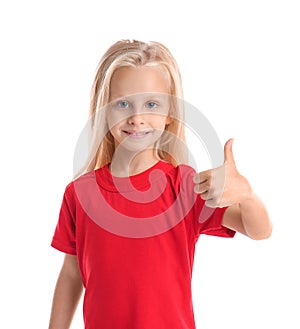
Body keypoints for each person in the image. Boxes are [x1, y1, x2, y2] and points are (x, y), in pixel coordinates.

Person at [48, 39, 272, 329]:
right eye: (123, 103)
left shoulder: (185, 186)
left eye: (151, 104)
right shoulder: (79, 193)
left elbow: (259, 230)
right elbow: (71, 272)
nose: (136, 118)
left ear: (169, 114)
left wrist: (248, 195)